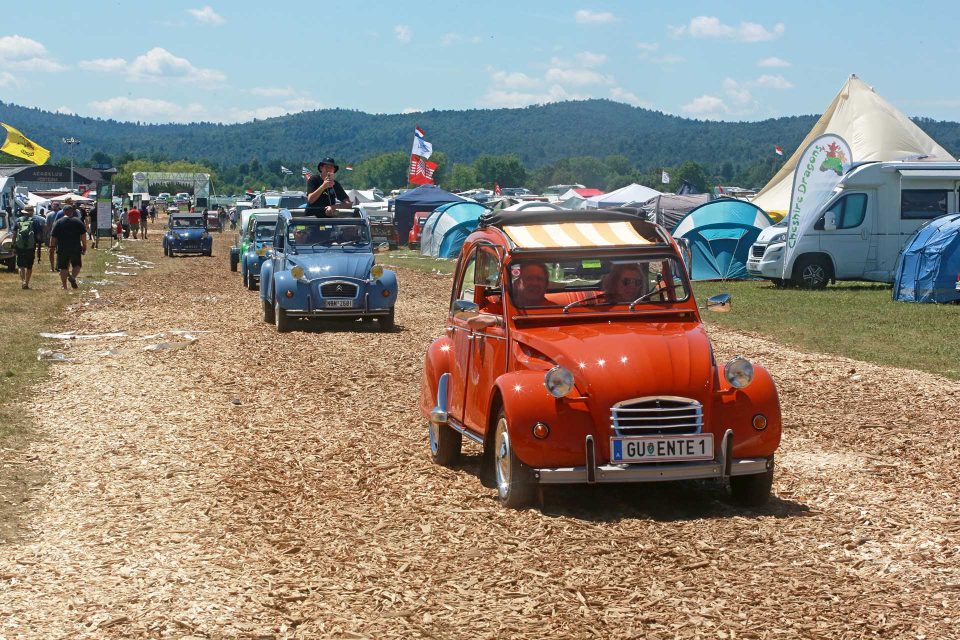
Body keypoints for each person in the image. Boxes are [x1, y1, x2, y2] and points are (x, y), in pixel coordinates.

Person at [49, 205, 87, 290]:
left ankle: (64, 286)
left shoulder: (58, 222)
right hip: (75, 247)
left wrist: (52, 246)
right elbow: (83, 235)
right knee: (77, 265)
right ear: (72, 211)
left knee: (63, 267)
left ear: (64, 212)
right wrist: (84, 245)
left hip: (62, 247)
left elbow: (53, 236)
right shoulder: (78, 221)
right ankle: (73, 277)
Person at [13, 206, 42, 289]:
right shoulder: (35, 221)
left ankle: (23, 281)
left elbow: (14, 234)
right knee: (29, 265)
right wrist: (38, 243)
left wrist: (13, 244)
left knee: (21, 265)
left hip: (20, 245)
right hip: (30, 246)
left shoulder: (18, 220)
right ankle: (27, 282)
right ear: (32, 212)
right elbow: (39, 236)